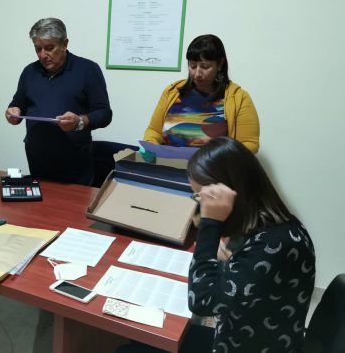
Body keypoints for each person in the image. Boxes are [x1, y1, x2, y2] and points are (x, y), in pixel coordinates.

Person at [118, 137, 316, 353]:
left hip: (243, 345)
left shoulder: (275, 244)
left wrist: (210, 225)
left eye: (202, 199)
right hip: (240, 334)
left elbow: (201, 301)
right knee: (141, 341)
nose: (200, 206)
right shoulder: (273, 224)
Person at [5, 18, 112, 185]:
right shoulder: (29, 72)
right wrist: (14, 112)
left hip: (75, 161)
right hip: (37, 158)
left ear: (65, 44)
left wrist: (79, 122)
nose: (42, 55)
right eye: (38, 49)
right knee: (40, 200)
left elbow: (104, 114)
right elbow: (19, 104)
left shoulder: (88, 70)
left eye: (49, 48)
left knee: (73, 201)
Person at [142, 34, 259, 162]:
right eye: (192, 66)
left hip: (213, 170)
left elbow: (250, 144)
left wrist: (222, 158)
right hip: (168, 167)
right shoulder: (172, 92)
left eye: (205, 66)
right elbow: (154, 130)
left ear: (220, 64)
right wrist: (150, 145)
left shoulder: (238, 98)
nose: (197, 73)